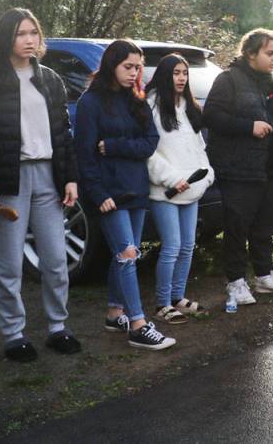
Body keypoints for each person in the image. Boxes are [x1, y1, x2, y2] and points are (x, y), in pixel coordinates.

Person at [0, 8, 81, 363]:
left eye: (34, 32)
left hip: (49, 177)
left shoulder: (50, 79)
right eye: (21, 33)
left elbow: (64, 135)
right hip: (7, 180)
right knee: (8, 265)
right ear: (7, 38)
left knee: (54, 259)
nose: (30, 39)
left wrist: (71, 178)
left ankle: (57, 327)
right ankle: (14, 334)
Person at [75, 39, 174, 350]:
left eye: (137, 68)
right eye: (127, 67)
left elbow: (149, 142)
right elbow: (85, 155)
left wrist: (115, 145)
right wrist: (98, 192)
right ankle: (138, 324)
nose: (134, 73)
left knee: (127, 253)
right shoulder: (90, 103)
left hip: (135, 188)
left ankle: (114, 313)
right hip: (109, 193)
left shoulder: (137, 100)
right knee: (127, 254)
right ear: (111, 66)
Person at [204, 29, 273, 309]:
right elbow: (211, 116)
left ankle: (264, 275)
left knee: (266, 226)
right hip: (239, 167)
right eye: (269, 53)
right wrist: (248, 127)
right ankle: (235, 281)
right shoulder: (228, 80)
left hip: (271, 166)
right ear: (250, 53)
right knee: (237, 226)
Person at [145, 53, 215, 324]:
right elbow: (149, 153)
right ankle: (162, 304)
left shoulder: (188, 107)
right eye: (176, 73)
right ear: (164, 75)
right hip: (165, 191)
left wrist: (207, 174)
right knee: (171, 246)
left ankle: (178, 297)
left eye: (184, 73)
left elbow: (199, 148)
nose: (181, 78)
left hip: (192, 190)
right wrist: (172, 178)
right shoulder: (150, 106)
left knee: (188, 246)